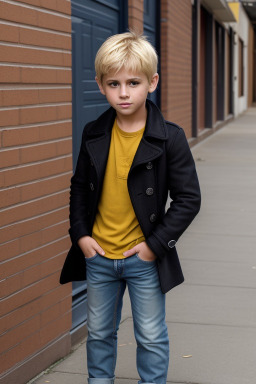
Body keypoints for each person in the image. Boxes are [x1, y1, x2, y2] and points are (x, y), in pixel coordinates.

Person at [60, 31, 201, 384]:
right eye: (114, 83)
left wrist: (154, 247)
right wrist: (80, 236)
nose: (124, 92)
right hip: (99, 256)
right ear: (100, 84)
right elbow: (79, 188)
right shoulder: (94, 132)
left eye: (133, 82)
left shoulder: (170, 136)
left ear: (152, 82)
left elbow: (189, 199)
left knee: (151, 336)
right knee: (99, 334)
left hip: (143, 259)